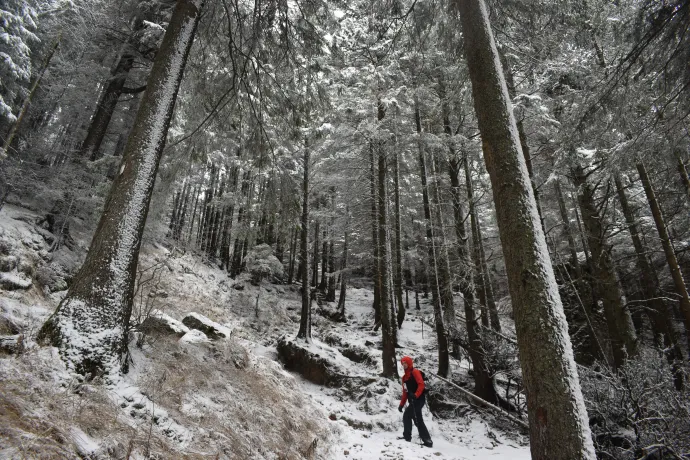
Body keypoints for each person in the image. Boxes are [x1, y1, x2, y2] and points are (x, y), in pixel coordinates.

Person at [397, 355, 433, 447]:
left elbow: (421, 385)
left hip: (419, 399)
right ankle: (427, 441)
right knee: (417, 419)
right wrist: (401, 404)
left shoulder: (415, 372)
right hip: (412, 401)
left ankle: (408, 437)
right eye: (402, 363)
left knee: (407, 415)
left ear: (409, 363)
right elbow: (405, 392)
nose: (403, 365)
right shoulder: (404, 378)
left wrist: (416, 395)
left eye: (405, 363)